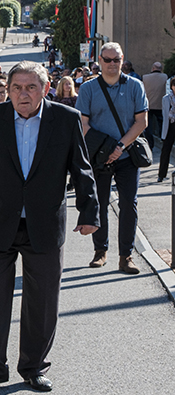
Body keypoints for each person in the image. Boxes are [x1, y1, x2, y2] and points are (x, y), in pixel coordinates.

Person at [0, 62, 98, 392]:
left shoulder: (65, 120)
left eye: (31, 87)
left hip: (44, 224)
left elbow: (82, 169)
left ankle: (33, 367)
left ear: (45, 89)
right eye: (17, 87)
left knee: (42, 300)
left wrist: (89, 214)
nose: (23, 94)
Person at [76, 42, 148, 274]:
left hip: (127, 156)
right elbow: (83, 124)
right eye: (107, 60)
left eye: (116, 59)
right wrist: (107, 149)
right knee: (101, 204)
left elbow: (141, 122)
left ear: (122, 59)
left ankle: (126, 255)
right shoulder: (88, 89)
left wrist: (119, 146)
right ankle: (100, 251)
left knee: (129, 203)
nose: (112, 64)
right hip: (99, 158)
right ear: (99, 60)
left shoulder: (135, 86)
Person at [142, 61, 167, 148]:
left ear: (152, 68)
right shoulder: (165, 77)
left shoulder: (145, 78)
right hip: (160, 106)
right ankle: (163, 140)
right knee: (162, 125)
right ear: (161, 69)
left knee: (148, 127)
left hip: (148, 106)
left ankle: (150, 144)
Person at [158, 76, 175, 182]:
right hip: (169, 125)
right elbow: (164, 114)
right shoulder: (166, 98)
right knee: (165, 150)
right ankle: (161, 174)